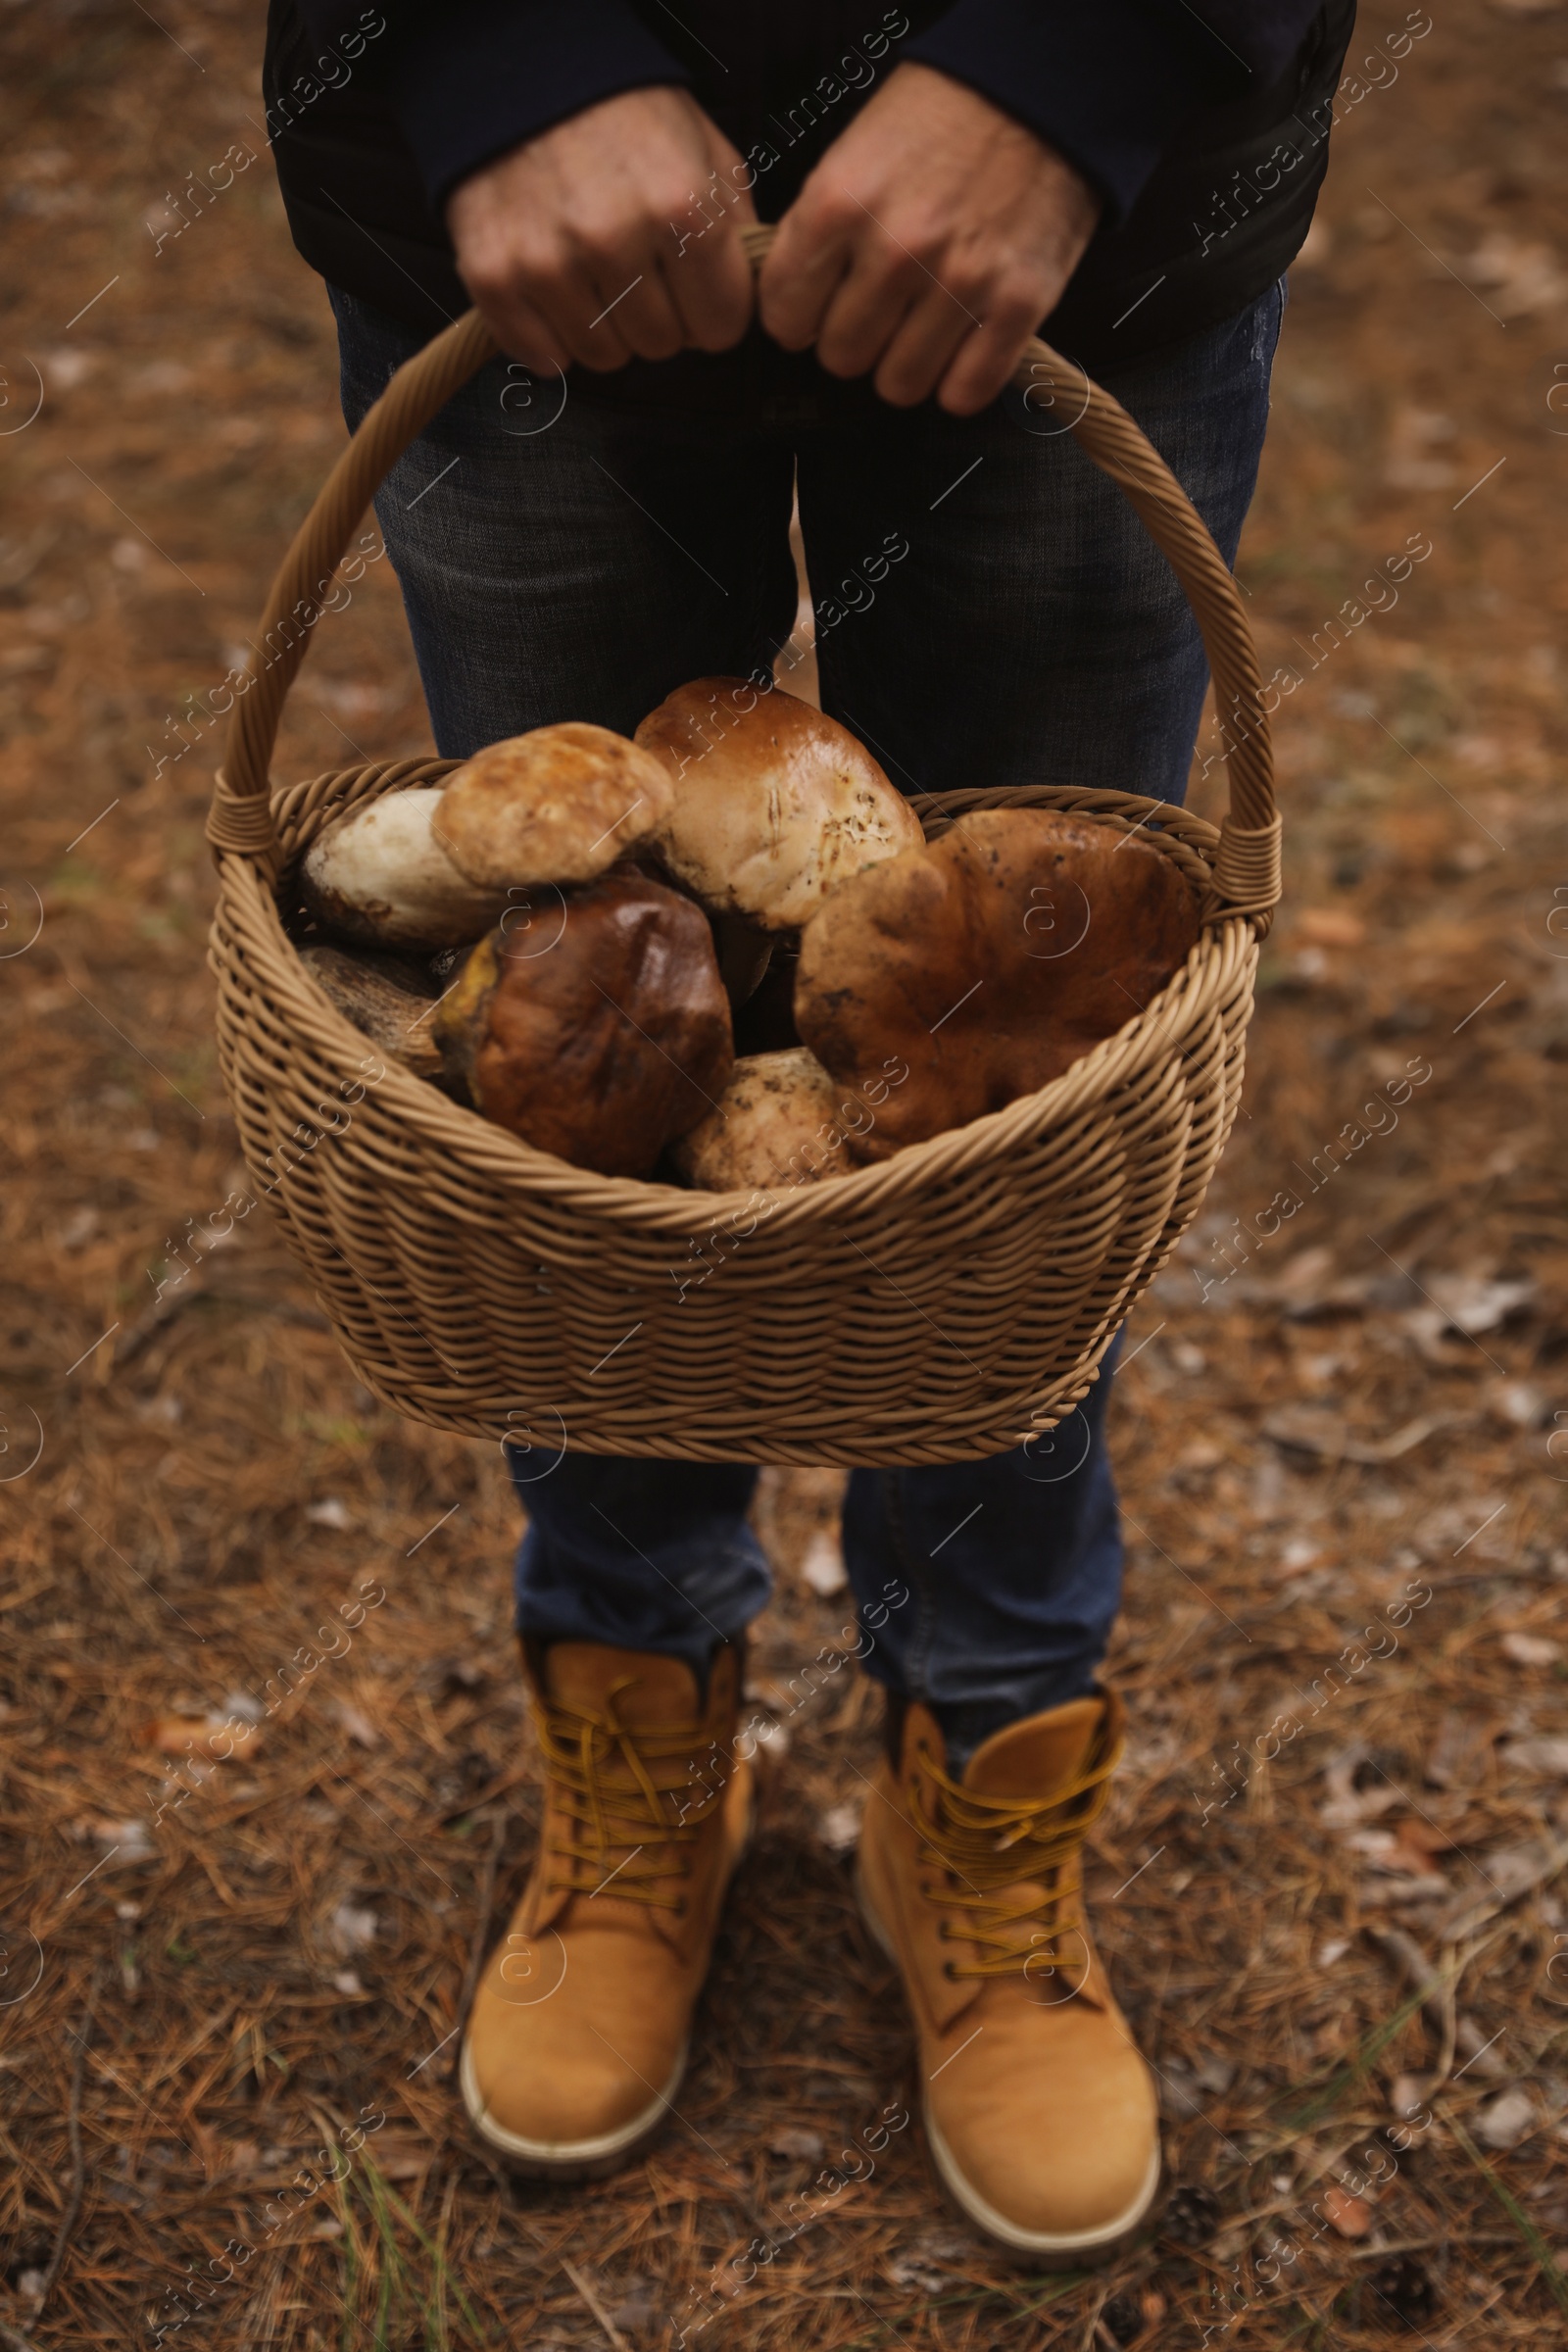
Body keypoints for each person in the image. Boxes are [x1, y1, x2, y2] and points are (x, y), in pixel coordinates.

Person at [264, 0, 1354, 2262]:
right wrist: (494, 50)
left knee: (1017, 1097)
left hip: (1092, 221)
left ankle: (981, 1751)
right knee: (567, 1093)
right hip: (514, 214)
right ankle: (635, 1701)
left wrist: (1087, 59)